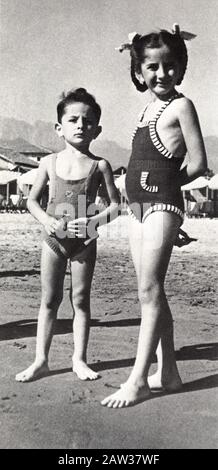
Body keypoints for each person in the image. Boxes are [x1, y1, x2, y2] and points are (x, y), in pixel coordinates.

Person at [101, 24, 207, 407]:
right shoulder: (147, 109)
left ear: (181, 66)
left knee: (149, 290)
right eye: (152, 68)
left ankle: (138, 380)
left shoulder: (182, 105)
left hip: (161, 205)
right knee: (151, 290)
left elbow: (198, 163)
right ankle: (171, 372)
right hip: (138, 208)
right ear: (138, 71)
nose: (162, 74)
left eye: (170, 66)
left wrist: (165, 191)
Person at [16, 88, 119, 382]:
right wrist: (47, 220)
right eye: (73, 119)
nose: (80, 125)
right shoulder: (48, 163)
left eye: (87, 121)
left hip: (84, 243)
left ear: (97, 130)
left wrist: (93, 221)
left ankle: (79, 359)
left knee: (81, 300)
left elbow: (115, 207)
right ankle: (41, 360)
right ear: (59, 128)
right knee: (49, 300)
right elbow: (32, 201)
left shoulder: (100, 166)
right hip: (53, 242)